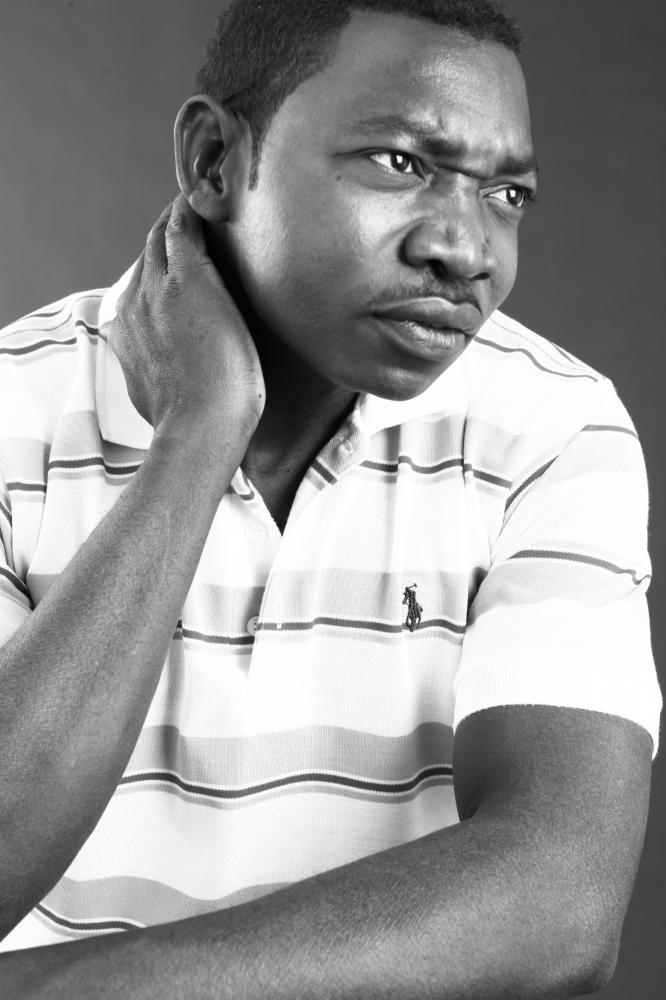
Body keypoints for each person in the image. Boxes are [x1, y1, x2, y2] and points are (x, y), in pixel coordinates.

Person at [0, 0, 661, 996]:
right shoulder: (14, 408)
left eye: (507, 193)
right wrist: (197, 437)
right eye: (401, 162)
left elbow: (560, 900)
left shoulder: (553, 427)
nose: (466, 249)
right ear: (214, 161)